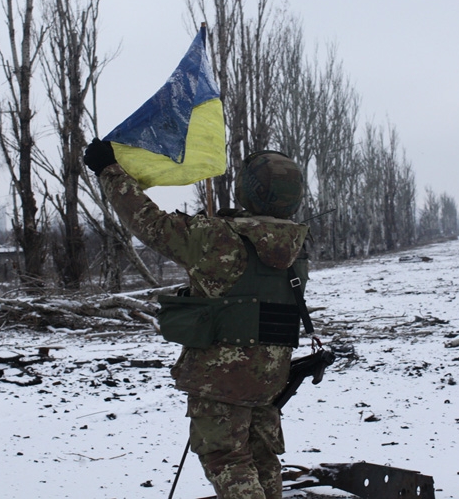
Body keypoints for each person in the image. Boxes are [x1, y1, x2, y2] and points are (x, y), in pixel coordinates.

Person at [83, 139, 310, 499]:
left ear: (248, 189)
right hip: (270, 376)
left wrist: (109, 170)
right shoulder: (295, 247)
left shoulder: (217, 238)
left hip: (220, 379)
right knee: (262, 459)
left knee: (228, 460)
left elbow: (150, 223)